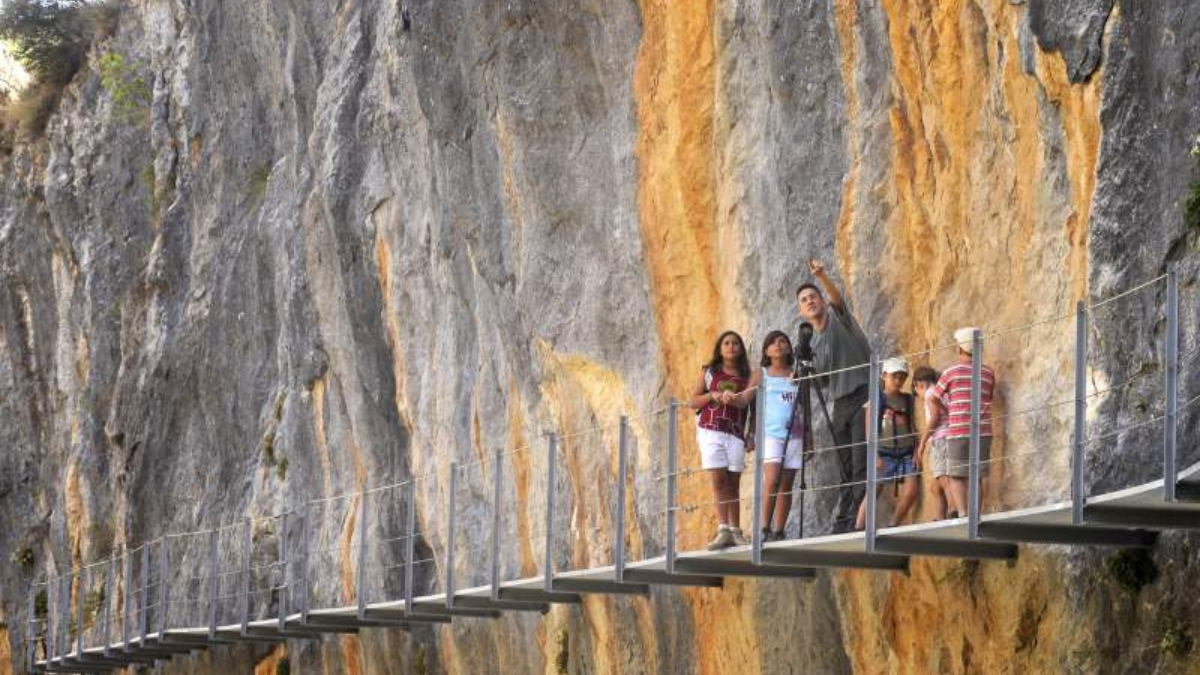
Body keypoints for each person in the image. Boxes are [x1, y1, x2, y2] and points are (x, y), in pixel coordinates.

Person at [797, 259, 872, 533]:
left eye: (814, 297)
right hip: (840, 403)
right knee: (846, 464)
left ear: (822, 301)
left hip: (863, 393)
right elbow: (824, 382)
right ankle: (845, 520)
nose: (811, 302)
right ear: (801, 310)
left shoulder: (839, 320)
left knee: (861, 460)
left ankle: (860, 523)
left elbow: (838, 299)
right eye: (805, 300)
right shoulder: (813, 344)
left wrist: (821, 276)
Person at [689, 331, 753, 550]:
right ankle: (723, 528)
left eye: (735, 343)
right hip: (711, 429)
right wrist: (712, 395)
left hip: (735, 432)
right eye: (726, 343)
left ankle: (736, 531)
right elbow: (693, 401)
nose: (731, 346)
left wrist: (751, 433)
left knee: (733, 481)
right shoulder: (709, 372)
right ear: (719, 348)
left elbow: (752, 408)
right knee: (718, 479)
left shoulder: (747, 377)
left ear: (741, 348)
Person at [737, 331, 803, 542]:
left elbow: (805, 406)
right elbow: (745, 399)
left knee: (787, 484)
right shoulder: (761, 374)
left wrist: (809, 436)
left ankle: (779, 531)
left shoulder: (797, 373)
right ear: (766, 350)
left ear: (789, 348)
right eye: (772, 343)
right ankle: (764, 528)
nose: (778, 345)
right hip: (770, 434)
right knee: (772, 480)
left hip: (795, 432)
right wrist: (729, 398)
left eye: (782, 341)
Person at [931, 327, 996, 518]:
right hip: (983, 431)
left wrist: (948, 412)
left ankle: (962, 513)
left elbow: (934, 398)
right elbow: (989, 397)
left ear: (960, 348)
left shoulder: (950, 372)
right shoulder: (988, 373)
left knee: (957, 475)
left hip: (958, 430)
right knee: (976, 475)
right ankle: (975, 515)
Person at [854, 357, 920, 529]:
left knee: (911, 491)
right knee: (874, 490)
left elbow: (912, 426)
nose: (898, 381)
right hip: (884, 452)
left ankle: (893, 524)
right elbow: (869, 432)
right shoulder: (877, 400)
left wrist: (916, 451)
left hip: (906, 453)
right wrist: (875, 455)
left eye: (902, 377)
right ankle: (858, 527)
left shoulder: (908, 400)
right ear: (884, 375)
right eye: (894, 376)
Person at [912, 366, 951, 520]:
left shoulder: (930, 394)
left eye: (916, 390)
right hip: (948, 437)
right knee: (935, 487)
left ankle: (954, 511)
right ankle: (939, 518)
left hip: (940, 439)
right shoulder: (941, 391)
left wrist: (922, 444)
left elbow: (934, 418)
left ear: (919, 384)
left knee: (944, 478)